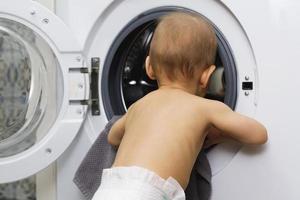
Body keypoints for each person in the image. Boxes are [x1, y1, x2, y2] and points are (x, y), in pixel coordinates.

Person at [92, 12, 268, 200]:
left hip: (110, 189)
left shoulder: (139, 105)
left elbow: (113, 137)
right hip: (151, 193)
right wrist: (220, 136)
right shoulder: (205, 108)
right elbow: (258, 134)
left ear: (149, 67)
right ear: (207, 76)